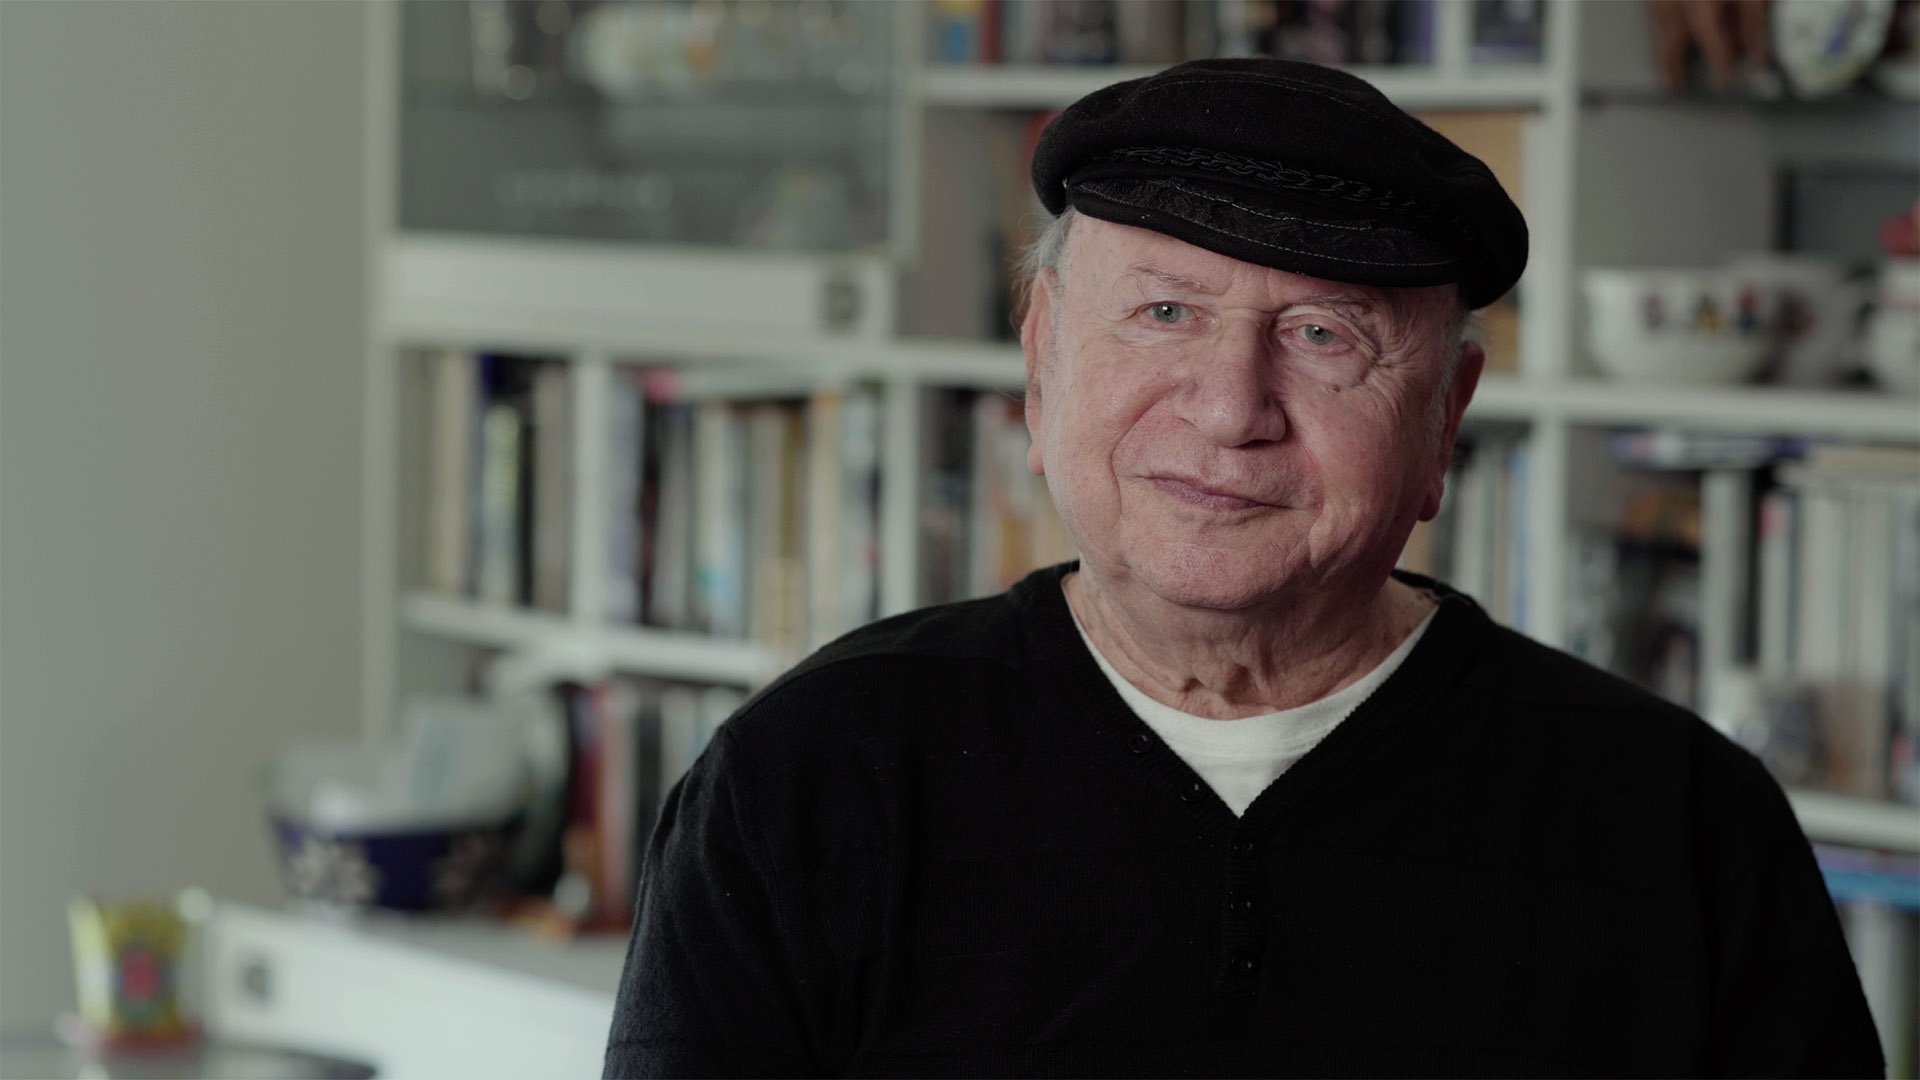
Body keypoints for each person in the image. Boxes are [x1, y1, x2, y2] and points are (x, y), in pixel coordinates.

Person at [603, 58, 1882, 1078]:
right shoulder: (808, 776)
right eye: (1165, 312)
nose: (1230, 408)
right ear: (1043, 365)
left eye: (1325, 336)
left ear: (1445, 419)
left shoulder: (1680, 824)